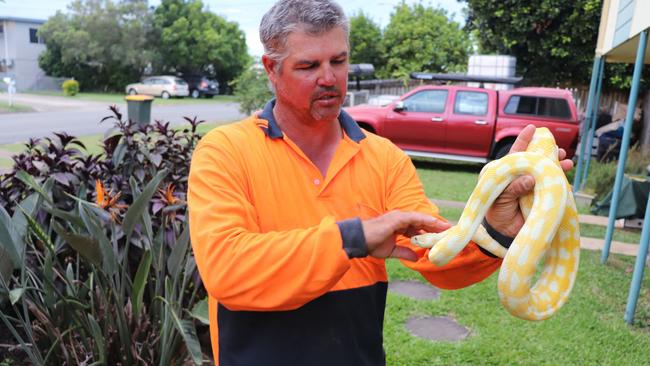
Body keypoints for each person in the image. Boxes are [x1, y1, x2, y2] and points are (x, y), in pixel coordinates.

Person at [187, 1, 573, 365]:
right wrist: (353, 238)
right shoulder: (225, 151)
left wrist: (496, 229)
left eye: (339, 61)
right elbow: (228, 270)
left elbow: (434, 254)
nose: (329, 78)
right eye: (308, 66)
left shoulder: (385, 158)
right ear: (271, 69)